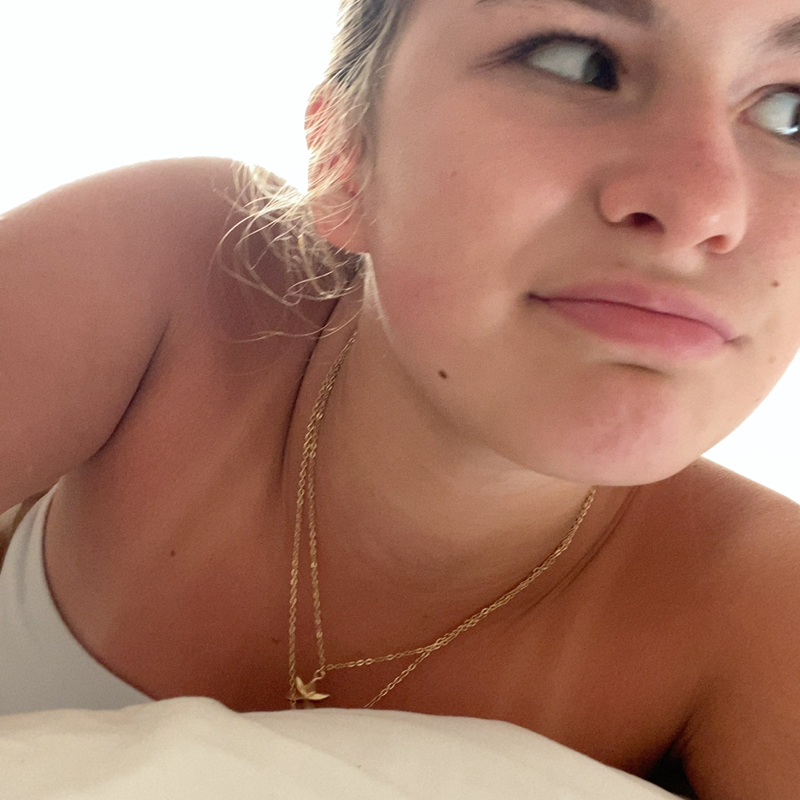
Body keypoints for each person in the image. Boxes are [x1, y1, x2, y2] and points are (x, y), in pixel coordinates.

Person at [2, 0, 800, 795]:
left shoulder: (765, 607)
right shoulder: (175, 273)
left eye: (791, 111)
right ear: (345, 156)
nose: (703, 208)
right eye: (579, 61)